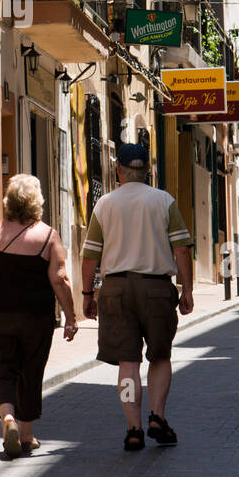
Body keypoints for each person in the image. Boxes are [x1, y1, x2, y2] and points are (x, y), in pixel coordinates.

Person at [81, 142, 194, 453]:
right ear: (149, 170)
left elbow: (90, 255)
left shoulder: (104, 205)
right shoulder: (164, 201)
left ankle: (134, 429)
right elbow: (181, 248)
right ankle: (157, 416)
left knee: (128, 362)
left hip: (115, 290)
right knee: (160, 356)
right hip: (156, 288)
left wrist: (87, 294)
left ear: (118, 170)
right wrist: (187, 288)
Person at [0, 174, 77, 458]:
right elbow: (60, 279)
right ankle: (26, 436)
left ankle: (8, 419)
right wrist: (71, 316)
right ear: (37, 203)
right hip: (35, 317)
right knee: (30, 370)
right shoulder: (49, 237)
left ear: (9, 202)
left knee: (0, 367)